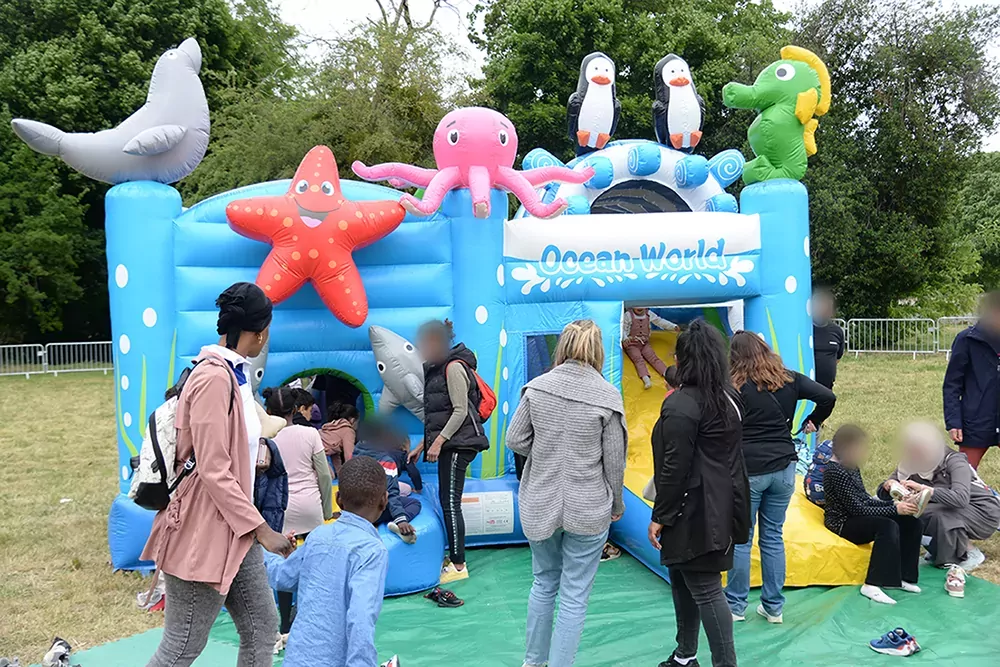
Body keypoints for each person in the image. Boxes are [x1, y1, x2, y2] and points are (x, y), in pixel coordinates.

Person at [143, 282, 294, 667]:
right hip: (204, 532)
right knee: (182, 645)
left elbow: (231, 450)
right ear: (259, 332)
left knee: (262, 629)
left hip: (235, 530)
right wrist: (263, 529)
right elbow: (212, 467)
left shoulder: (236, 375)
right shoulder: (212, 378)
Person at [506, 319, 627, 667]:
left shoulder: (537, 387)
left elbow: (514, 439)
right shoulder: (607, 396)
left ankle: (533, 663)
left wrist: (544, 451)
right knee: (574, 596)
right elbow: (615, 462)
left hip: (540, 501)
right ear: (598, 350)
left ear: (563, 346)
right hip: (588, 506)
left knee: (543, 584)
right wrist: (616, 503)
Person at [648, 319, 750, 667]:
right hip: (724, 503)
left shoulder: (681, 406)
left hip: (694, 511)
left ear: (684, 359)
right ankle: (684, 654)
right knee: (683, 579)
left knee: (705, 588)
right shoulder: (728, 399)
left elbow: (673, 468)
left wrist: (660, 516)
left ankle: (725, 662)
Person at [724, 331, 836, 624]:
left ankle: (735, 606)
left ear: (734, 356)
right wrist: (814, 420)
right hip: (784, 468)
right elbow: (828, 395)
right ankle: (774, 607)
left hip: (748, 469)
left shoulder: (734, 385)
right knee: (773, 536)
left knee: (741, 538)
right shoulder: (789, 379)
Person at [264, 456, 390, 667]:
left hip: (297, 659)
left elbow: (282, 576)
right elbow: (360, 618)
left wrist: (263, 548)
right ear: (384, 501)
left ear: (338, 499)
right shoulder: (372, 551)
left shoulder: (318, 536)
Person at [878, 421, 1000, 597]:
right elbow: (885, 492)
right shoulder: (910, 462)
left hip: (982, 511)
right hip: (951, 506)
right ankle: (939, 549)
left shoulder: (955, 461)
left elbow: (960, 497)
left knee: (936, 514)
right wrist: (888, 486)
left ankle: (968, 553)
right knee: (907, 510)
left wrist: (925, 490)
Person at [409, 319, 489, 584]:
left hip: (460, 443)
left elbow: (459, 411)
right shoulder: (437, 368)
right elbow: (439, 415)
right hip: (453, 442)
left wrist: (438, 442)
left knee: (450, 503)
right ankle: (456, 557)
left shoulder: (453, 367)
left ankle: (458, 564)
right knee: (448, 501)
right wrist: (423, 444)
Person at [263, 385, 334, 651]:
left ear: (269, 411)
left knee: (283, 565)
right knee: (314, 564)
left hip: (281, 508)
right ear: (295, 410)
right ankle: (310, 622)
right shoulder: (310, 434)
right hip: (310, 506)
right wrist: (327, 510)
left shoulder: (267, 437)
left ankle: (284, 626)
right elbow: (324, 475)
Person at [822, 424, 921, 605]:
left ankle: (902, 577)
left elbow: (864, 499)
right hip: (843, 523)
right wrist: (894, 509)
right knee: (886, 526)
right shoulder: (834, 471)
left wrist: (894, 503)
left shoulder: (851, 466)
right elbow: (857, 509)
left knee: (910, 522)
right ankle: (872, 584)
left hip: (857, 515)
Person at [943, 290, 1000, 469]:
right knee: (965, 476)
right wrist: (953, 422)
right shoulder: (966, 339)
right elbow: (952, 385)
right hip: (975, 420)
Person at [353, 416, 422, 544]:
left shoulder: (355, 455)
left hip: (355, 511)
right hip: (373, 512)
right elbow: (392, 493)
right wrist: (401, 519)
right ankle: (395, 522)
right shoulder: (387, 461)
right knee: (414, 503)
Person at [622, 306, 680, 389]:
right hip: (632, 344)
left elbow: (659, 321)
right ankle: (646, 378)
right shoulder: (628, 315)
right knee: (638, 359)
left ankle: (666, 374)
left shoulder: (648, 314)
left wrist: (672, 326)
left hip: (644, 343)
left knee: (653, 358)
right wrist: (625, 338)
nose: (639, 307)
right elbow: (623, 328)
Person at [812, 287, 845, 390]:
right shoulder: (805, 330)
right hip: (807, 385)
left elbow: (838, 358)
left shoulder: (837, 331)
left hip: (827, 386)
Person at [321, 403, 359, 477]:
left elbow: (335, 454)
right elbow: (349, 456)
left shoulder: (333, 427)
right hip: (316, 452)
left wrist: (340, 474)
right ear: (352, 420)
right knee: (329, 476)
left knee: (330, 475)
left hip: (311, 449)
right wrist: (353, 475)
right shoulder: (348, 431)